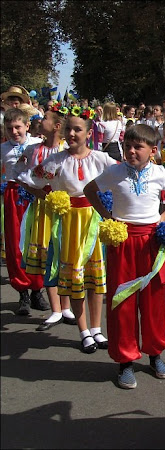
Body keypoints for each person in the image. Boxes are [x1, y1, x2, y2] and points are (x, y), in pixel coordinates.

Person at [84, 124, 165, 388]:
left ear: (152, 151)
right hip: (122, 241)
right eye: (128, 146)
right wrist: (108, 218)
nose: (131, 151)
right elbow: (90, 190)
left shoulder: (159, 173)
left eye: (137, 147)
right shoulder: (115, 172)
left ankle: (155, 355)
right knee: (123, 302)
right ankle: (125, 361)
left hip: (151, 242)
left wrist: (163, 219)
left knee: (153, 302)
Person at [18, 106, 117, 354]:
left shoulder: (102, 159)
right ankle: (83, 331)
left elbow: (121, 179)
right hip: (70, 223)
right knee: (75, 277)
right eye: (69, 129)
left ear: (88, 131)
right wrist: (43, 195)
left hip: (94, 222)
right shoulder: (56, 160)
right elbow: (29, 179)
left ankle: (96, 329)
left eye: (78, 129)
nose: (72, 134)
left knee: (96, 280)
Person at [17, 104, 77, 330]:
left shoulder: (67, 150)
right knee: (48, 255)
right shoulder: (34, 150)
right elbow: (21, 175)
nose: (39, 121)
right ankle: (55, 309)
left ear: (57, 126)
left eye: (45, 119)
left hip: (65, 210)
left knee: (65, 253)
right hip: (43, 209)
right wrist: (36, 192)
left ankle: (67, 305)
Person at [1, 108, 46, 315]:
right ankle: (23, 292)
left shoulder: (37, 144)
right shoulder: (3, 148)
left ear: (27, 126)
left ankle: (37, 289)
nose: (14, 131)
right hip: (13, 194)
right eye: (10, 128)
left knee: (36, 241)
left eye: (18, 127)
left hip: (34, 194)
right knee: (15, 243)